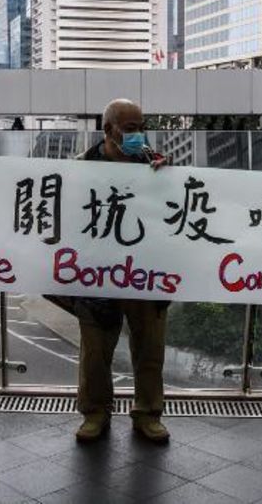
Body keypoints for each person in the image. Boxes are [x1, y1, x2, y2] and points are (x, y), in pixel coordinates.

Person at [69, 99, 171, 443]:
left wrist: (167, 180)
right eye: (130, 128)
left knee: (150, 349)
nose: (137, 133)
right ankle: (95, 413)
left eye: (141, 126)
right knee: (95, 353)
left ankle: (148, 413)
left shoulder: (155, 164)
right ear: (107, 129)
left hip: (146, 274)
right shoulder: (81, 168)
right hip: (98, 276)